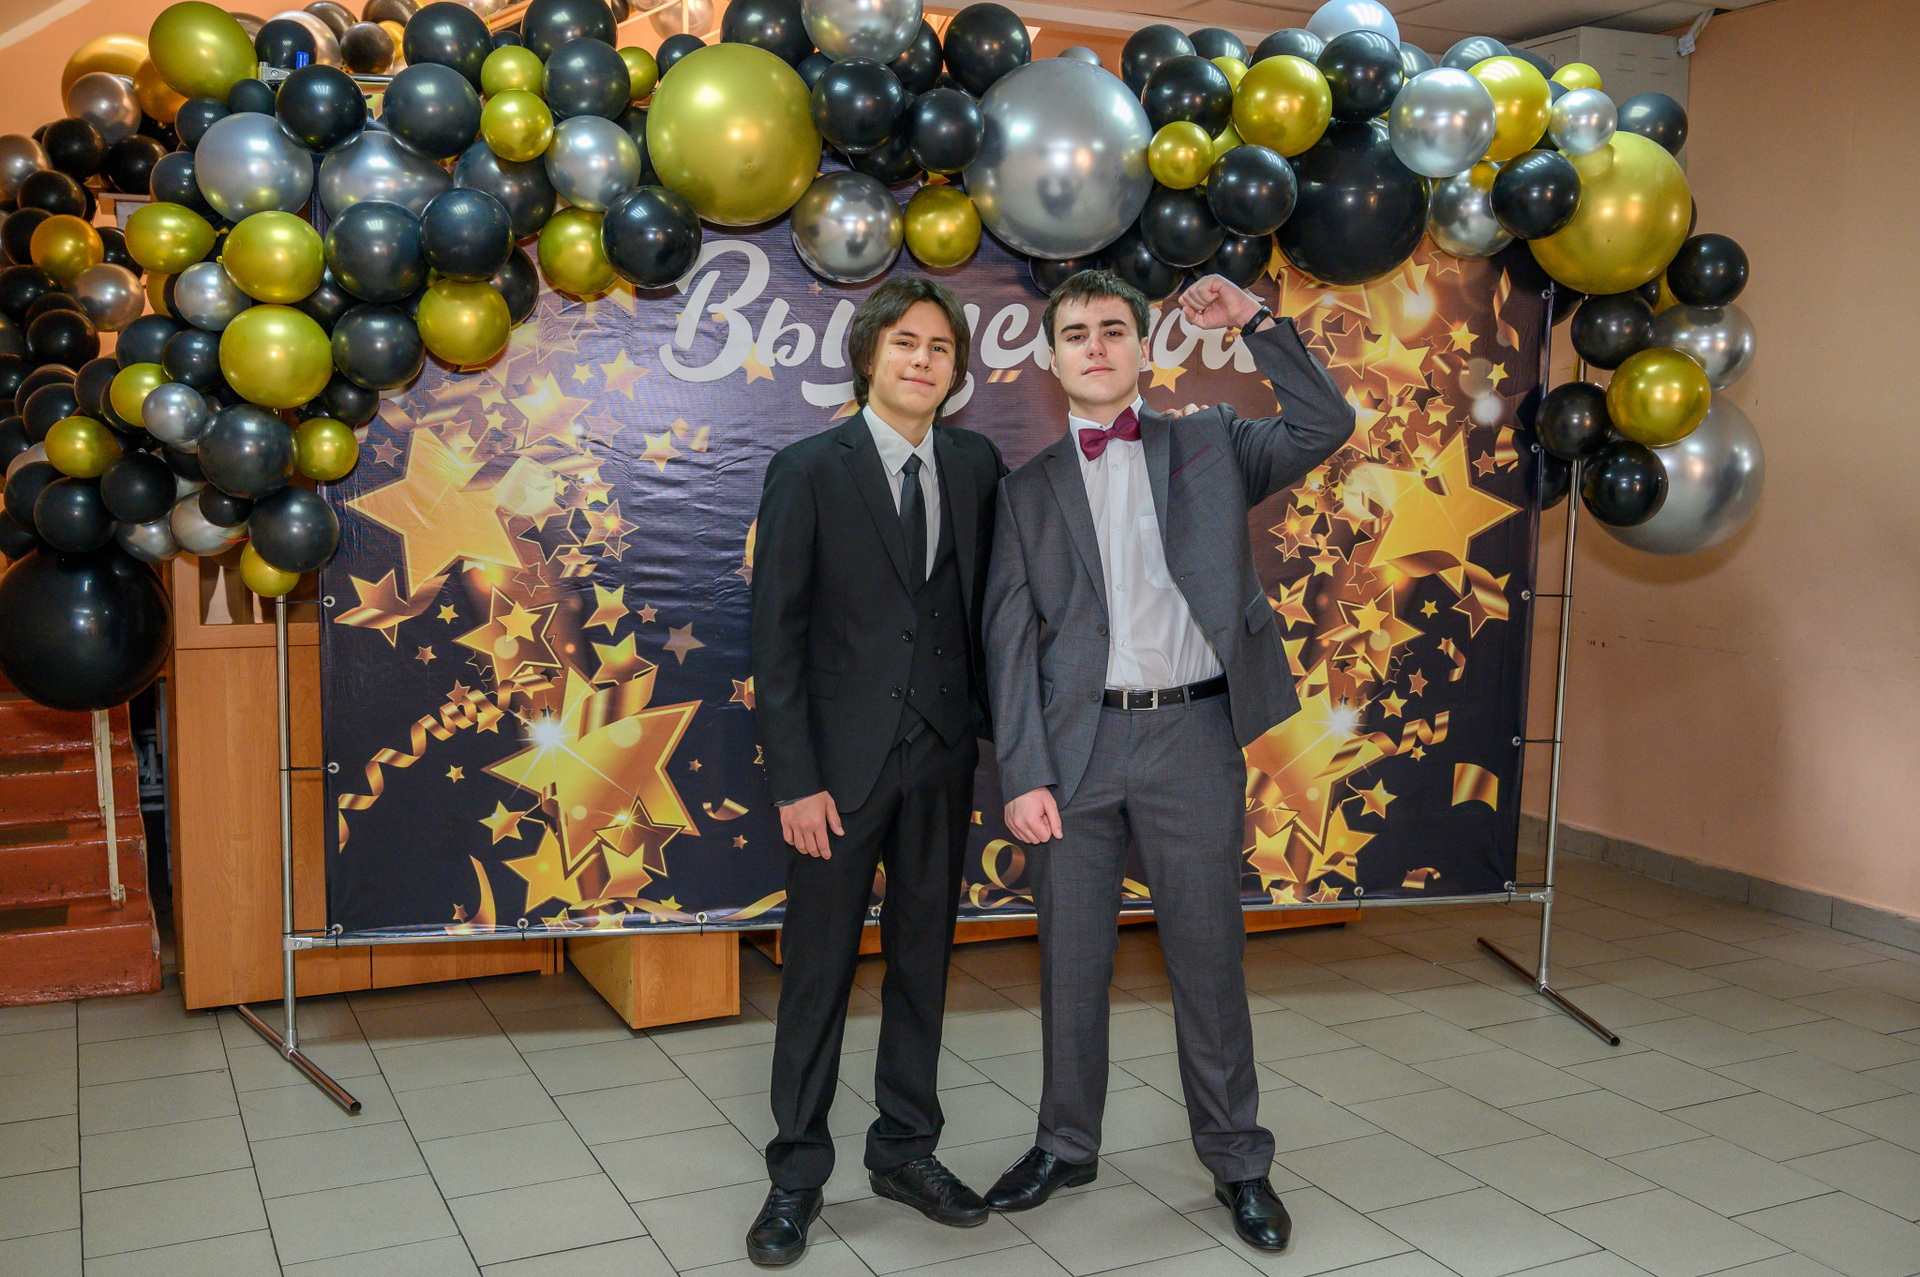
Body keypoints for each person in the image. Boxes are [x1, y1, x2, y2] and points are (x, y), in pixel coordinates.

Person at [979, 270, 1354, 1251]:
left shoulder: (1210, 442)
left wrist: (1256, 323)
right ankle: (1065, 1142)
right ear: (1052, 358)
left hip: (1192, 734)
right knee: (1070, 960)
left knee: (1207, 955)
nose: (1096, 347)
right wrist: (1024, 771)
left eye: (1114, 330)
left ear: (1142, 348)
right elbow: (1007, 642)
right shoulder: (1024, 490)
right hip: (1075, 750)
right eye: (1077, 334)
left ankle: (1238, 1159)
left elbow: (1325, 423)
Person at [746, 277, 1007, 1267]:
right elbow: (775, 638)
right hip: (836, 776)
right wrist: (795, 780)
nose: (922, 360)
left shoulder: (976, 463)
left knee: (923, 965)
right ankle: (795, 1174)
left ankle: (905, 1149)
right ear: (868, 357)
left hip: (941, 760)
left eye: (940, 348)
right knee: (817, 973)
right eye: (905, 342)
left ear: (956, 369)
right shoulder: (809, 468)